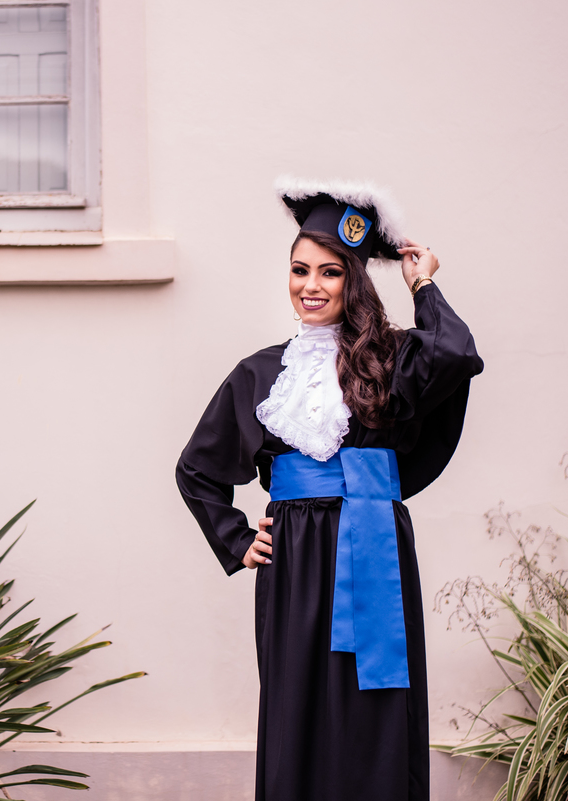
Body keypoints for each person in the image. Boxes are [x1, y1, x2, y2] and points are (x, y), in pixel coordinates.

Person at [176, 178, 483, 801]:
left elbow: (455, 352)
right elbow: (197, 469)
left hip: (373, 545)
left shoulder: (389, 359)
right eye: (299, 270)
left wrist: (422, 283)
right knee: (299, 704)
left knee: (376, 704)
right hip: (293, 556)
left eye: (330, 273)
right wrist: (238, 541)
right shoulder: (261, 372)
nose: (310, 285)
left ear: (353, 281)